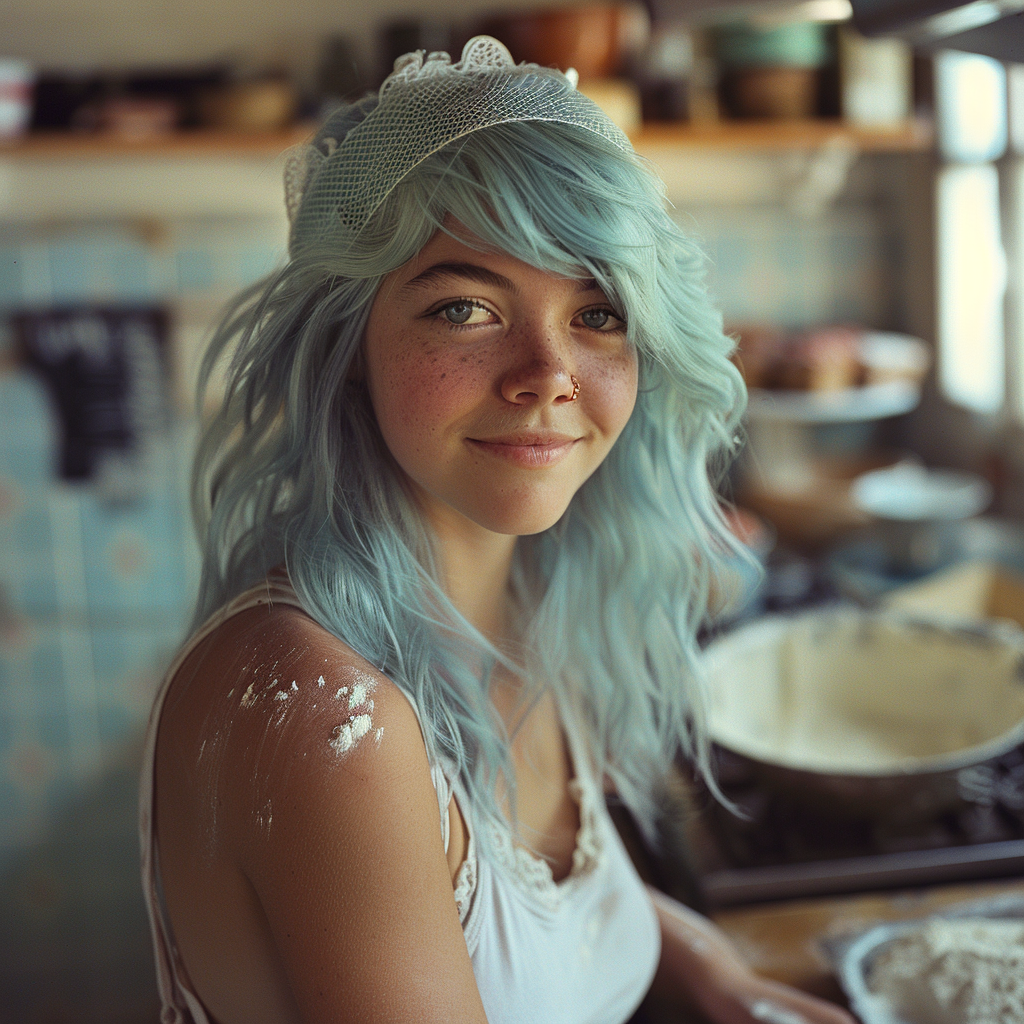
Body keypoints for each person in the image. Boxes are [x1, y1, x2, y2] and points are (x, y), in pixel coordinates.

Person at [140, 36, 855, 1024]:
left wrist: (714, 976)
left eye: (597, 312)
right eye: (466, 306)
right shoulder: (327, 722)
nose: (546, 374)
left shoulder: (521, 597)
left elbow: (522, 915)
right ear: (351, 344)